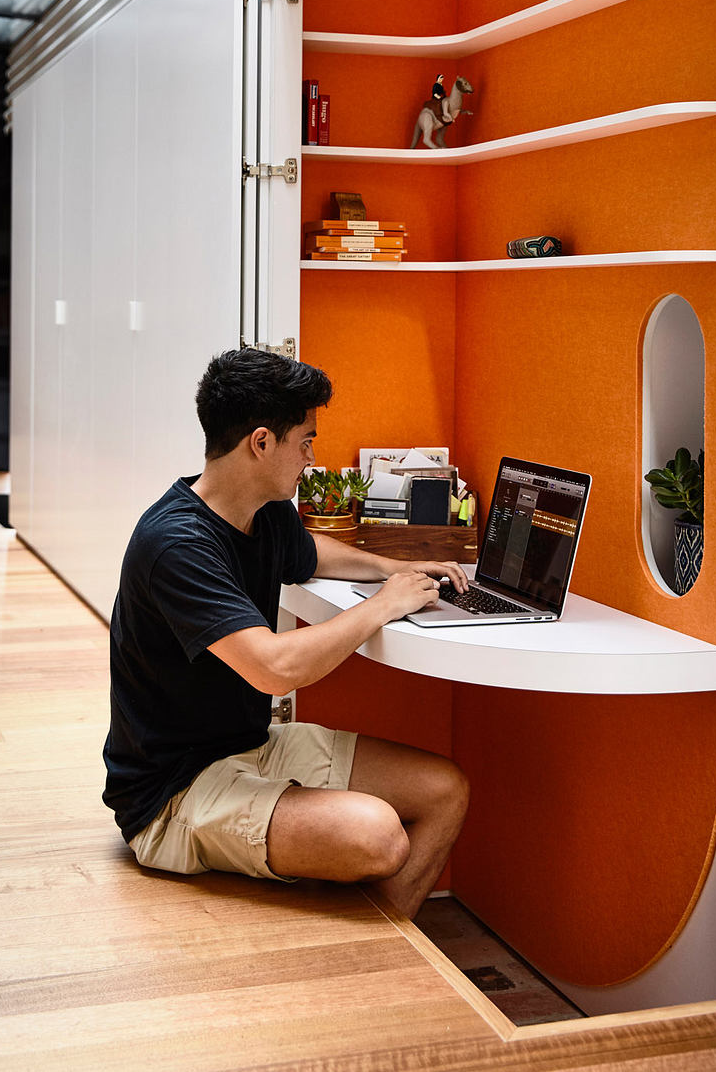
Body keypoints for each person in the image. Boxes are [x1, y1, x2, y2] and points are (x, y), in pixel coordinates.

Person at [102, 348, 470, 918]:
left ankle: (386, 951)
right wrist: (382, 607)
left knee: (445, 790)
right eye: (306, 441)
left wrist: (392, 569)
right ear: (261, 442)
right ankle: (370, 949)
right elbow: (274, 668)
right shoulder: (175, 544)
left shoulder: (262, 509)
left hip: (250, 747)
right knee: (377, 835)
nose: (312, 458)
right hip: (175, 792)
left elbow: (309, 551)